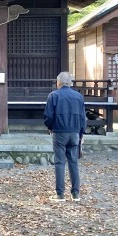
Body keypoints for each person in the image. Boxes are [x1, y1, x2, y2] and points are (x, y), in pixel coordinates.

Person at [44, 72, 87, 202]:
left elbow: (48, 116)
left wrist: (50, 127)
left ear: (58, 83)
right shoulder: (78, 96)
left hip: (59, 132)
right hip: (75, 132)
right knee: (73, 162)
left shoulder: (53, 95)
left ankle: (60, 194)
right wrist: (81, 134)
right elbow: (83, 117)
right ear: (70, 83)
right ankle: (75, 193)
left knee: (60, 162)